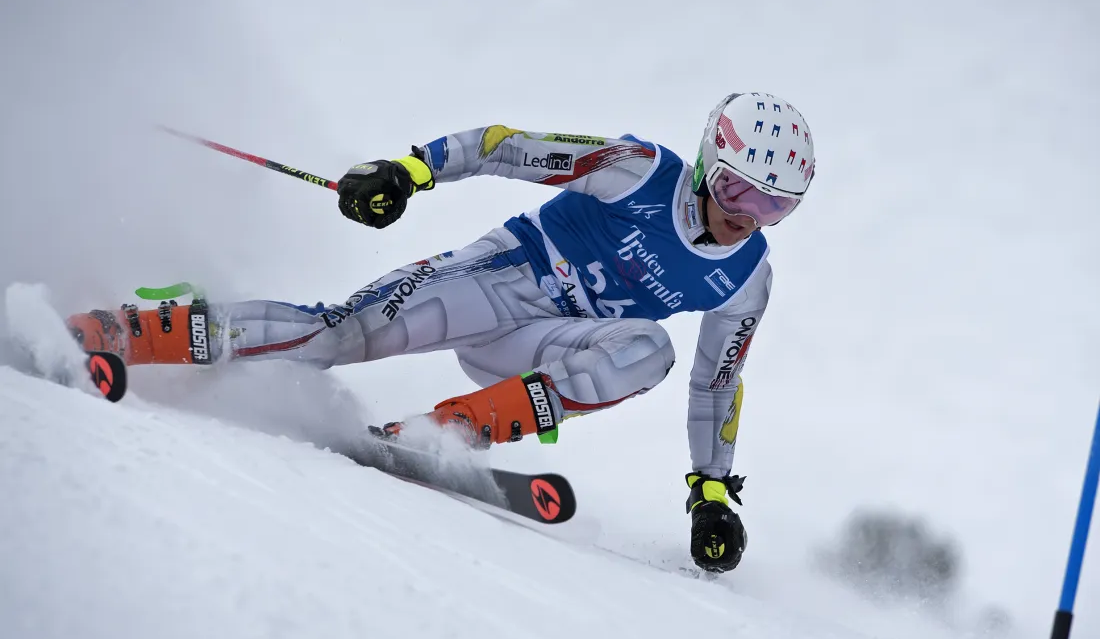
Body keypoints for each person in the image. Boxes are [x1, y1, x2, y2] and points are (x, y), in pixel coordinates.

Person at [66, 92, 816, 573]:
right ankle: (126, 332)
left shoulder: (747, 277)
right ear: (708, 167)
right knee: (335, 338)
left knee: (650, 350)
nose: (745, 213)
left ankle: (442, 433)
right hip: (497, 283)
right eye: (737, 187)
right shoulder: (638, 171)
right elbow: (504, 144)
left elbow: (718, 381)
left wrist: (711, 488)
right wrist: (409, 172)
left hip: (548, 345)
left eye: (773, 205)